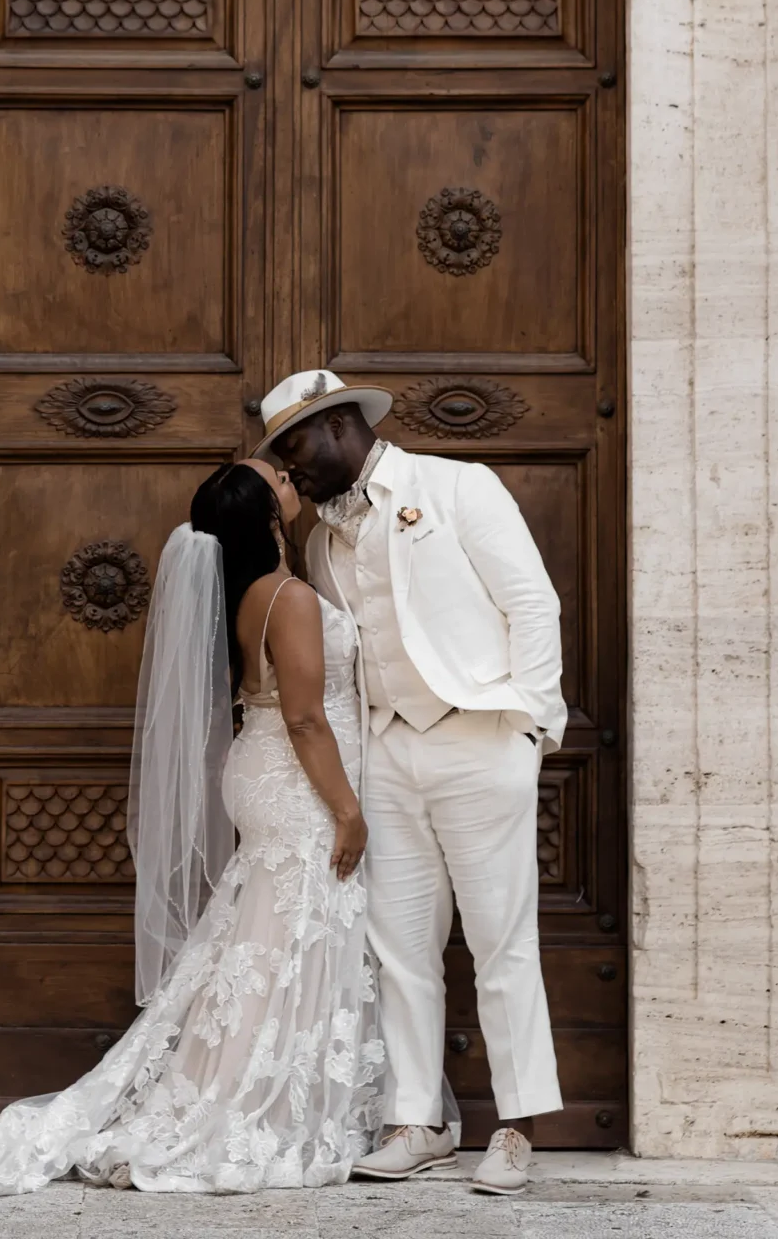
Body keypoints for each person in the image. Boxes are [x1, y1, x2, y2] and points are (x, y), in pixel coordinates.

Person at [0, 458, 383, 1202]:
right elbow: (304, 716)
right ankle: (253, 1104)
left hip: (260, 770)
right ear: (269, 515)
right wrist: (348, 809)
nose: (291, 473)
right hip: (296, 778)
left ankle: (239, 1082)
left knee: (265, 937)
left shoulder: (244, 594)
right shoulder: (291, 597)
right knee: (293, 931)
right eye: (279, 476)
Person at [258, 369, 566, 1198]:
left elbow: (532, 605)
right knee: (399, 948)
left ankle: (515, 1128)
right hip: (388, 751)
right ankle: (415, 1119)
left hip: (479, 737)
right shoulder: (321, 541)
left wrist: (531, 728)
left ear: (339, 427)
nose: (291, 473)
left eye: (294, 450)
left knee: (502, 940)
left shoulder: (458, 487)